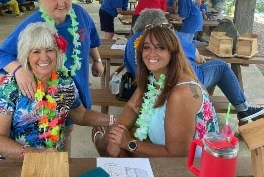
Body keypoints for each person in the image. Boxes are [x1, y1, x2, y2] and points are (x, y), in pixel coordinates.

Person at [0, 0, 104, 153]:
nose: (61, 3)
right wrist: (19, 71)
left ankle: (63, 163)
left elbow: (92, 39)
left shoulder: (80, 13)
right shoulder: (32, 25)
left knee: (69, 128)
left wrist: (97, 60)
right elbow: (2, 54)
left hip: (77, 86)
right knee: (52, 132)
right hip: (48, 94)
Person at [0, 22, 115, 159]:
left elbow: (80, 115)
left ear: (57, 52)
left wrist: (113, 120)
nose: (44, 57)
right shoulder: (10, 87)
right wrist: (35, 155)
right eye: (36, 52)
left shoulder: (64, 82)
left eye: (49, 50)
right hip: (8, 164)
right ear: (26, 56)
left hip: (49, 160)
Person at [93, 22, 219, 157]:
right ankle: (102, 144)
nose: (151, 54)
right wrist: (115, 134)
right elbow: (132, 107)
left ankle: (101, 145)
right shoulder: (155, 76)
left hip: (191, 168)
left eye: (160, 48)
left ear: (173, 52)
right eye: (147, 47)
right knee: (114, 136)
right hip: (165, 149)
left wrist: (128, 143)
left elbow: (178, 155)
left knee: (119, 148)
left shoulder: (181, 93)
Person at [124, 9, 264, 122]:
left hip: (149, 86)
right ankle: (244, 109)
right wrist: (197, 57)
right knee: (221, 65)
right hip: (180, 84)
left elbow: (130, 69)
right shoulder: (168, 35)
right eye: (147, 48)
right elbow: (197, 56)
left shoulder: (131, 42)